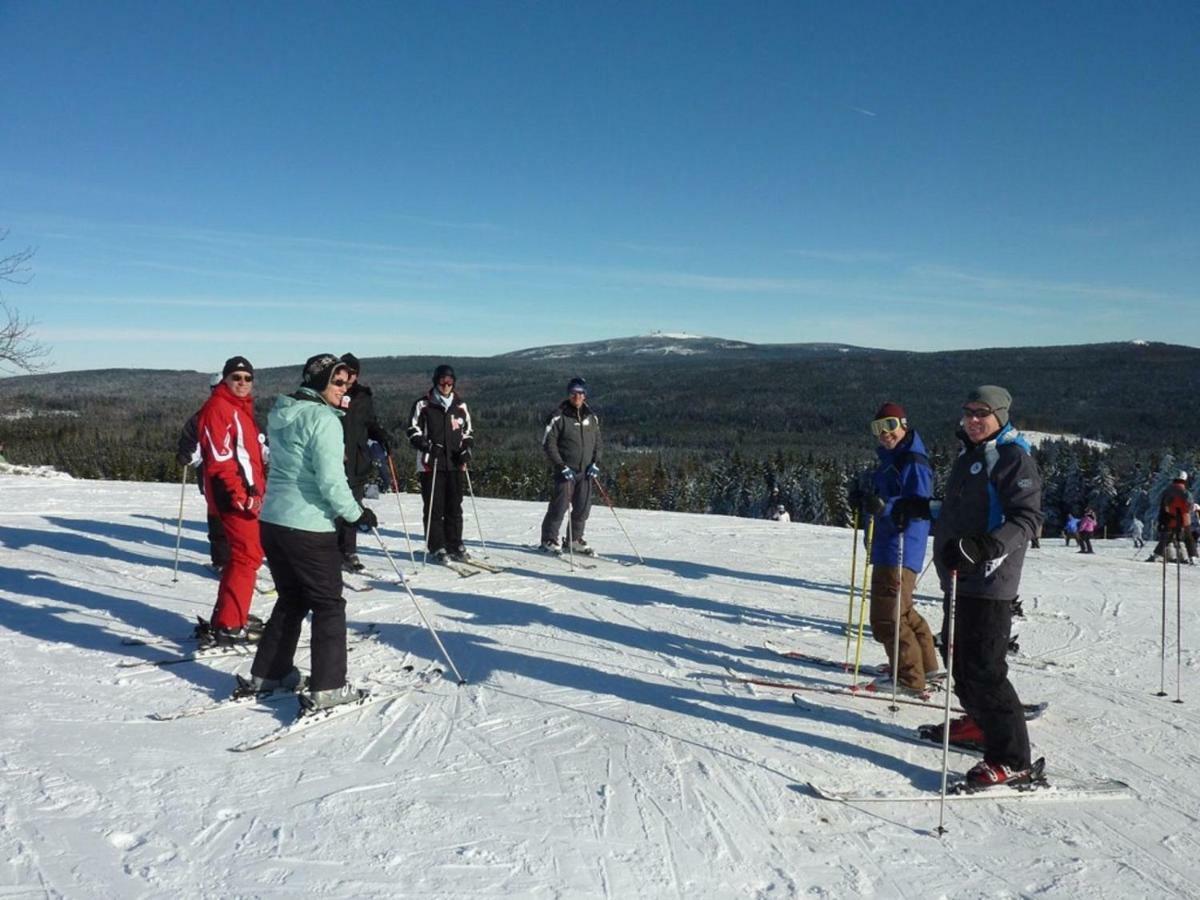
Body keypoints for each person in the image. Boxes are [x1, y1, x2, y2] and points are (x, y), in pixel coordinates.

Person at [247, 354, 379, 712]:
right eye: (337, 383)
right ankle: (329, 687)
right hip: (309, 526)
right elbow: (331, 480)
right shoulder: (323, 419)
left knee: (291, 598)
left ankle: (269, 674)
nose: (344, 389)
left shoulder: (284, 412)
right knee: (328, 605)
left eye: (347, 383)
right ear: (320, 383)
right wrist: (356, 513)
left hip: (274, 522)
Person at [931, 385, 1043, 789]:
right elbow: (965, 509)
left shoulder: (1012, 456)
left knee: (984, 669)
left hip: (989, 579)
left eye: (982, 413)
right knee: (956, 656)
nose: (973, 419)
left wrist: (986, 545)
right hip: (958, 574)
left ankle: (1013, 759)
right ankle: (980, 723)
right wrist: (923, 510)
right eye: (968, 412)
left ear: (1001, 415)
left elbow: (1028, 518)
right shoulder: (971, 454)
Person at [864, 402, 939, 696]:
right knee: (903, 612)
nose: (885, 434)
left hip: (900, 545)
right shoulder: (893, 459)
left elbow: (920, 505)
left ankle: (909, 677)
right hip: (891, 542)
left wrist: (885, 507)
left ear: (904, 425)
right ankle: (925, 666)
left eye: (890, 426)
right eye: (878, 428)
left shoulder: (912, 460)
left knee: (887, 617)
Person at [195, 356, 268, 647]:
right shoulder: (220, 408)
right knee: (248, 556)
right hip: (235, 497)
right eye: (236, 377)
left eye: (247, 378)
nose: (242, 383)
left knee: (243, 555)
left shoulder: (240, 408)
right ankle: (230, 623)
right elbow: (220, 459)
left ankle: (229, 616)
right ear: (224, 379)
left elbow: (248, 455)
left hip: (246, 494)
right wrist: (242, 496)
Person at [406, 364, 474, 562]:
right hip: (431, 464)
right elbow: (412, 429)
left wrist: (466, 448)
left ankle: (455, 543)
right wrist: (426, 445)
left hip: (454, 463)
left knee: (455, 506)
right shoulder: (423, 404)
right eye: (442, 381)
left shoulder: (460, 405)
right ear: (435, 381)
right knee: (434, 507)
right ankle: (437, 545)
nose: (446, 385)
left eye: (450, 381)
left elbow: (468, 431)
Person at [336, 353, 391, 573]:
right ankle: (331, 552)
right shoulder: (331, 392)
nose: (349, 376)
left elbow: (370, 422)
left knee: (353, 505)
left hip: (357, 459)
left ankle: (349, 552)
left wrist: (381, 436)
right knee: (332, 507)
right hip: (334, 458)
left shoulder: (362, 396)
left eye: (352, 372)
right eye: (345, 370)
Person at [539, 377, 602, 555]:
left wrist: (596, 463)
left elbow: (598, 443)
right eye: (574, 392)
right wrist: (560, 465)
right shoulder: (559, 416)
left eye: (581, 393)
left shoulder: (591, 416)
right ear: (569, 394)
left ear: (585, 395)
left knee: (582, 508)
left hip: (586, 471)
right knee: (559, 507)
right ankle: (549, 539)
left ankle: (574, 539)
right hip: (566, 470)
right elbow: (548, 443)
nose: (577, 396)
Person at [176, 373, 230, 572]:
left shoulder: (243, 414)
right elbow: (192, 442)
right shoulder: (202, 416)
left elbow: (259, 442)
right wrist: (187, 455)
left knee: (244, 521)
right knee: (219, 522)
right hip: (213, 478)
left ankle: (244, 562)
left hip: (242, 478)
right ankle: (223, 562)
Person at [1146, 472, 1197, 564]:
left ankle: (1156, 556)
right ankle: (1192, 558)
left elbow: (1163, 507)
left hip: (1170, 518)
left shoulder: (1167, 491)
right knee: (1189, 538)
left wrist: (1161, 520)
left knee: (1166, 538)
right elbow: (1190, 507)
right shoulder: (1186, 492)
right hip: (1184, 520)